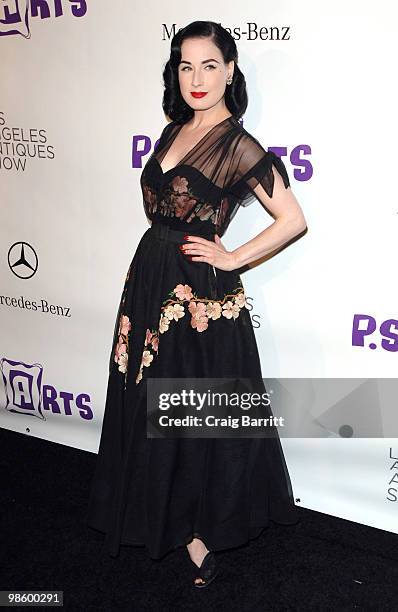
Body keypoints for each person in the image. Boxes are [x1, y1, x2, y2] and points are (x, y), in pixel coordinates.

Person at [87, 20, 307, 589]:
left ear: (230, 71)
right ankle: (153, 513)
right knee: (147, 406)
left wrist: (233, 257)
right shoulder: (172, 129)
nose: (197, 78)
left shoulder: (238, 144)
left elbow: (293, 219)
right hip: (150, 283)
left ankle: (198, 531)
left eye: (210, 65)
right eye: (186, 66)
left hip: (196, 299)